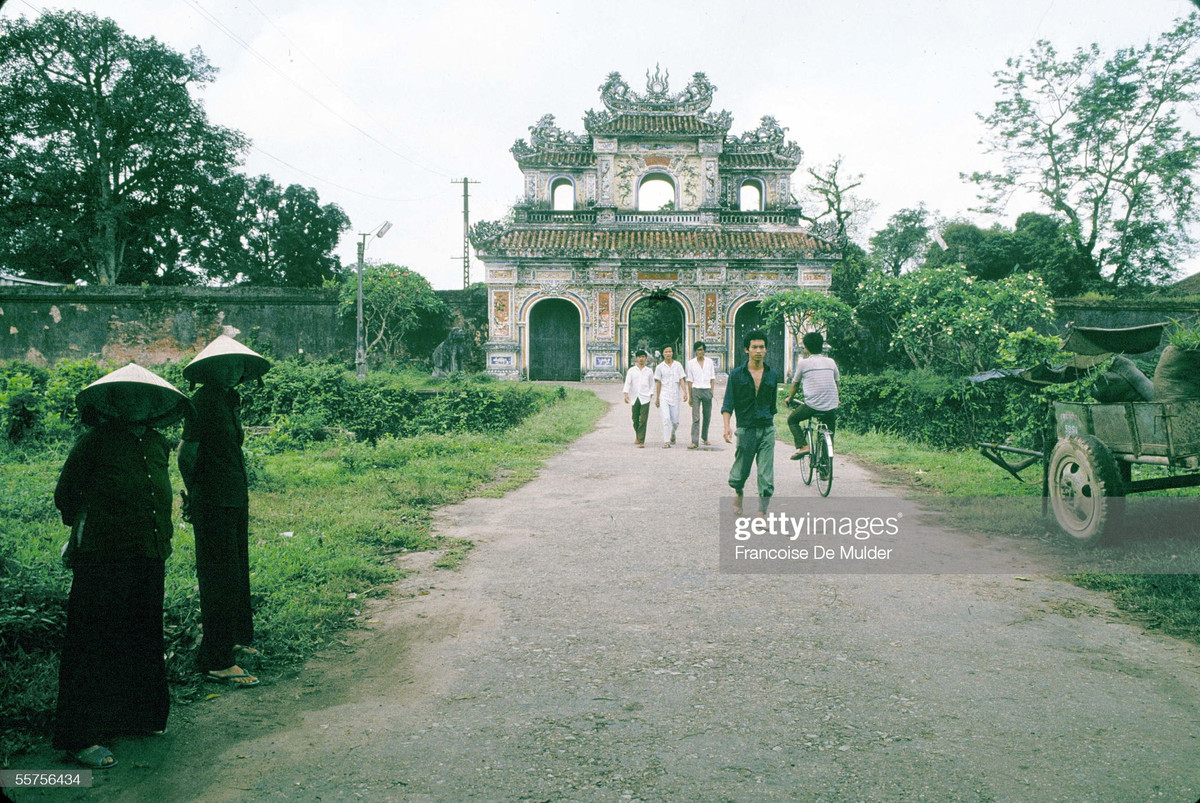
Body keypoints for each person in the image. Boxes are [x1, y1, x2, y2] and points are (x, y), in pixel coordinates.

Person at [53, 363, 194, 769]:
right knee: (93, 643)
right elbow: (66, 494)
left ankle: (138, 717)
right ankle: (81, 737)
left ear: (155, 405)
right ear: (114, 403)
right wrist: (90, 527)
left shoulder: (157, 442)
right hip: (103, 556)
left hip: (149, 553)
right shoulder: (95, 443)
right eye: (128, 396)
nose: (137, 402)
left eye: (145, 396)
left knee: (141, 635)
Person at [179, 335, 271, 688]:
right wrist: (196, 495)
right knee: (218, 578)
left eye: (239, 365)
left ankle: (233, 642)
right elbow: (186, 455)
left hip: (234, 497)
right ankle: (216, 660)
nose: (235, 371)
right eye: (227, 365)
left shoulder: (229, 400)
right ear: (211, 369)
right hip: (213, 501)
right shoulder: (203, 401)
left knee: (235, 572)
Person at [721, 330, 781, 516]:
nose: (758, 351)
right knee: (740, 471)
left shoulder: (772, 375)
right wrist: (727, 426)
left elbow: (772, 405)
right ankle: (739, 492)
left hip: (766, 429)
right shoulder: (737, 375)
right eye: (754, 347)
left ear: (766, 350)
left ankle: (762, 512)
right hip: (746, 429)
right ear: (747, 350)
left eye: (762, 347)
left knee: (765, 474)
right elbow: (728, 403)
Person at [785, 331, 840, 466]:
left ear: (806, 347)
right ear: (822, 346)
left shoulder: (803, 364)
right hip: (831, 404)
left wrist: (789, 398)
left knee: (792, 419)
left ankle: (803, 446)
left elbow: (795, 384)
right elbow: (836, 382)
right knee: (829, 432)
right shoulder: (831, 362)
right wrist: (836, 399)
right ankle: (825, 470)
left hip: (812, 405)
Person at [653, 345, 687, 448]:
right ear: (663, 354)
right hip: (664, 395)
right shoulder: (659, 367)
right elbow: (658, 383)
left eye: (670, 351)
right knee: (666, 418)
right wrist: (657, 398)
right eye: (666, 352)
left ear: (672, 353)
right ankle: (666, 441)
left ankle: (673, 433)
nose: (668, 353)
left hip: (675, 395)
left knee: (675, 421)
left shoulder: (678, 365)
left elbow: (681, 379)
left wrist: (685, 392)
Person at [685, 341, 717, 449]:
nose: (700, 352)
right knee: (696, 417)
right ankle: (694, 441)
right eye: (698, 350)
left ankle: (705, 437)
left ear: (705, 350)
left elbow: (712, 378)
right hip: (696, 390)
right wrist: (690, 396)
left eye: (702, 349)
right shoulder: (690, 363)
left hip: (707, 390)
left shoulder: (709, 362)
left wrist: (711, 392)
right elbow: (689, 380)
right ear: (695, 351)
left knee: (707, 415)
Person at [622, 349, 655, 447]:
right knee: (635, 419)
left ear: (646, 358)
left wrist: (651, 393)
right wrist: (626, 394)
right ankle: (638, 435)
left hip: (645, 398)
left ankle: (641, 440)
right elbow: (627, 383)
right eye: (639, 357)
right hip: (634, 397)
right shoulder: (632, 371)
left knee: (643, 420)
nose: (641, 359)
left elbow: (652, 384)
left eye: (643, 357)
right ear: (636, 358)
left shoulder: (649, 371)